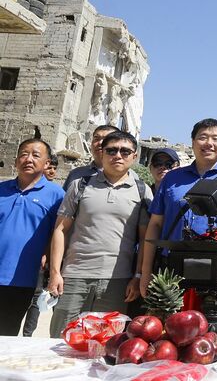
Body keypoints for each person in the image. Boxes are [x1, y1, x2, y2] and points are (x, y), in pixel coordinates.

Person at [48, 131, 153, 337]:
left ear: (134, 156)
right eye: (111, 150)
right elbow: (60, 229)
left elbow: (144, 240)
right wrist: (55, 273)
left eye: (125, 151)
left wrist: (138, 276)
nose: (118, 156)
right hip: (74, 276)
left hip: (117, 281)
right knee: (61, 339)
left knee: (106, 344)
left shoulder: (142, 191)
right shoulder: (80, 185)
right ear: (102, 153)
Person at [141, 118, 217, 297]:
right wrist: (145, 274)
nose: (209, 143)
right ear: (192, 142)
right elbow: (155, 225)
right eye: (203, 137)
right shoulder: (171, 179)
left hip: (215, 269)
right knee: (169, 322)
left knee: (209, 324)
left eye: (215, 138)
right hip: (171, 268)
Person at [0, 139, 64, 336]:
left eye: (36, 155)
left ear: (46, 163)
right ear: (16, 160)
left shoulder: (57, 195)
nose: (28, 159)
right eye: (23, 154)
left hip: (20, 279)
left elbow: (58, 234)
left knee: (5, 334)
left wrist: (53, 270)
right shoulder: (2, 189)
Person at [22, 153, 61, 335]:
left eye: (54, 168)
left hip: (43, 257)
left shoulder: (57, 194)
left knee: (37, 298)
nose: (52, 171)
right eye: (49, 167)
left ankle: (28, 334)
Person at [62, 125, 119, 191]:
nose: (100, 143)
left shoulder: (130, 178)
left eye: (106, 139)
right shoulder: (76, 174)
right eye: (96, 139)